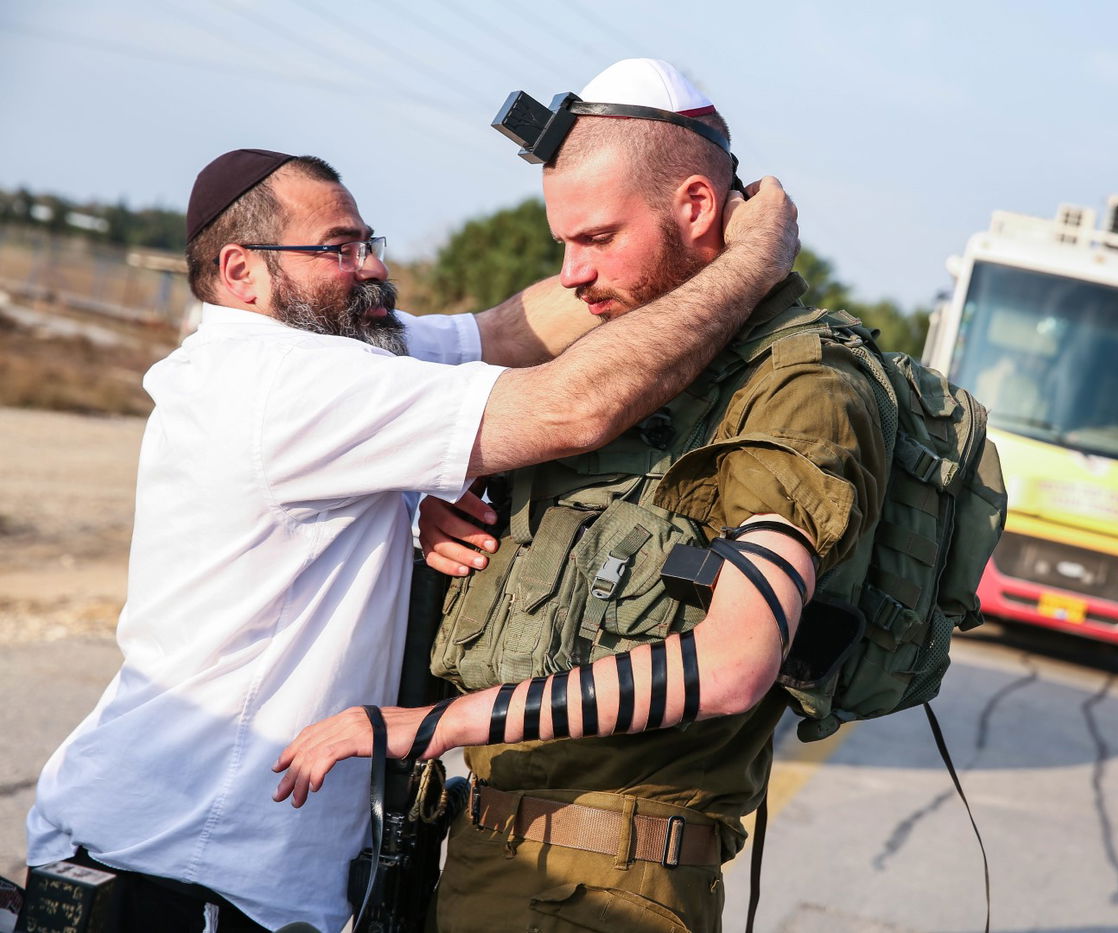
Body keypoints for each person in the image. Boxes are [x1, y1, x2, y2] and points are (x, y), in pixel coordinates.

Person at [25, 145, 798, 932]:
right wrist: (752, 262)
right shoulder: (280, 380)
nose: (366, 266)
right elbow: (575, 407)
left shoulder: (335, 352)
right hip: (179, 868)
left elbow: (507, 330)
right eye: (336, 248)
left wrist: (663, 236)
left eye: (367, 242)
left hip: (227, 872)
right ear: (240, 272)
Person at [275, 60, 887, 932]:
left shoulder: (797, 387)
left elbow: (734, 659)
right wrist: (446, 528)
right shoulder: (632, 365)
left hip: (611, 888)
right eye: (564, 243)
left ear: (698, 210)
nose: (572, 273)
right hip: (488, 858)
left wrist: (438, 724)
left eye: (597, 239)